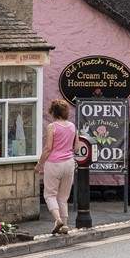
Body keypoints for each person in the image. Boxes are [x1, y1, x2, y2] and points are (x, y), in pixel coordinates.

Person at [39, 98, 77, 236]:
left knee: (49, 194)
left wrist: (39, 164)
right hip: (69, 163)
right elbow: (77, 146)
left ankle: (58, 220)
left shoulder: (52, 127)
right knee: (63, 197)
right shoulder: (72, 126)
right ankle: (65, 225)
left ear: (53, 112)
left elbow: (48, 148)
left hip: (54, 163)